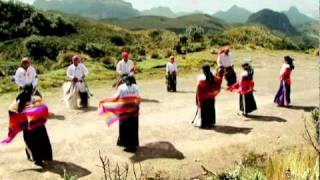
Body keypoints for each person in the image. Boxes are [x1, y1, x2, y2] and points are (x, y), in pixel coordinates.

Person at [2, 84, 52, 167]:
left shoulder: (16, 102)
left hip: (27, 129)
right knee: (41, 142)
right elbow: (45, 109)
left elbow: (11, 111)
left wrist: (22, 122)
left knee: (30, 143)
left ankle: (33, 158)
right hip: (38, 126)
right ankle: (42, 158)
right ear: (33, 90)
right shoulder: (36, 99)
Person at [114, 76, 140, 152]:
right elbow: (138, 97)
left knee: (124, 126)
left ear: (124, 81)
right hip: (134, 109)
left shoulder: (121, 87)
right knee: (133, 127)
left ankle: (126, 144)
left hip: (124, 109)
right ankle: (133, 144)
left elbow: (116, 97)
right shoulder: (136, 87)